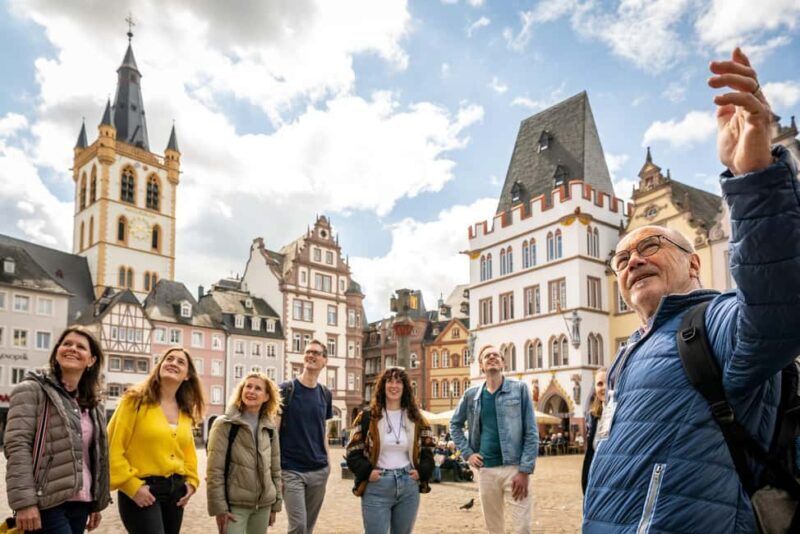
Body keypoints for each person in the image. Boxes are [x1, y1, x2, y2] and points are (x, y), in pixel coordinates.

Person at [582, 48, 800, 533]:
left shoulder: (715, 323)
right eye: (621, 260)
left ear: (694, 261)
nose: (633, 260)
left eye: (650, 245)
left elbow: (779, 310)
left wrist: (755, 177)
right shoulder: (626, 353)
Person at [4, 326, 111, 533]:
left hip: (81, 501)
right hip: (46, 502)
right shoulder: (32, 390)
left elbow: (95, 458)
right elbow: (17, 447)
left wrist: (96, 501)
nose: (72, 348)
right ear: (56, 351)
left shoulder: (94, 404)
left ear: (91, 360)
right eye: (66, 344)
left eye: (81, 347)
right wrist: (24, 503)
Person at [107, 347, 204, 534]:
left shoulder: (185, 410)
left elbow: (188, 454)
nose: (173, 363)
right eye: (169, 359)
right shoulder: (134, 401)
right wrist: (132, 486)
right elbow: (112, 446)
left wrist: (191, 483)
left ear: (187, 375)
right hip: (143, 489)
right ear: (160, 366)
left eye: (180, 362)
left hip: (175, 492)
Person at [450, 345, 539, 534]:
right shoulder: (471, 395)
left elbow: (531, 432)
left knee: (522, 527)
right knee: (494, 528)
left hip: (514, 469)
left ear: (503, 363)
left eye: (496, 355)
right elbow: (454, 425)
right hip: (486, 470)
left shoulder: (520, 390)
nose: (492, 357)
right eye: (487, 356)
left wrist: (524, 471)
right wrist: (468, 454)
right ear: (481, 366)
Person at [345, 367, 435, 534]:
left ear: (405, 387)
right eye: (390, 381)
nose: (394, 386)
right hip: (377, 485)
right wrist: (367, 471)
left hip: (408, 484)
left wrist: (422, 471)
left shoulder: (417, 418)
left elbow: (429, 450)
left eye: (399, 381)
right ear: (382, 386)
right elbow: (352, 451)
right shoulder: (367, 417)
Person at [207, 372, 282, 534]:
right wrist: (219, 508)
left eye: (257, 388)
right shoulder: (224, 424)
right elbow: (214, 471)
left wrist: (275, 505)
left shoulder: (270, 428)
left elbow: (275, 470)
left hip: (263, 506)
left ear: (267, 396)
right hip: (234, 507)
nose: (251, 391)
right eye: (248, 386)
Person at [277, 340, 333, 534]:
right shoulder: (285, 390)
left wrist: (328, 462)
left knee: (308, 527)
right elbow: (274, 433)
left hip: (319, 470)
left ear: (325, 361)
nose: (311, 355)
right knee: (298, 525)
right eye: (308, 352)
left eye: (316, 353)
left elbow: (322, 430)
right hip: (291, 470)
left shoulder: (325, 394)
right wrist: (275, 469)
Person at [580, 367, 606, 495]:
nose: (604, 388)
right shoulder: (593, 416)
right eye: (600, 384)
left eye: (608, 383)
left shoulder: (621, 413)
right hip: (595, 475)